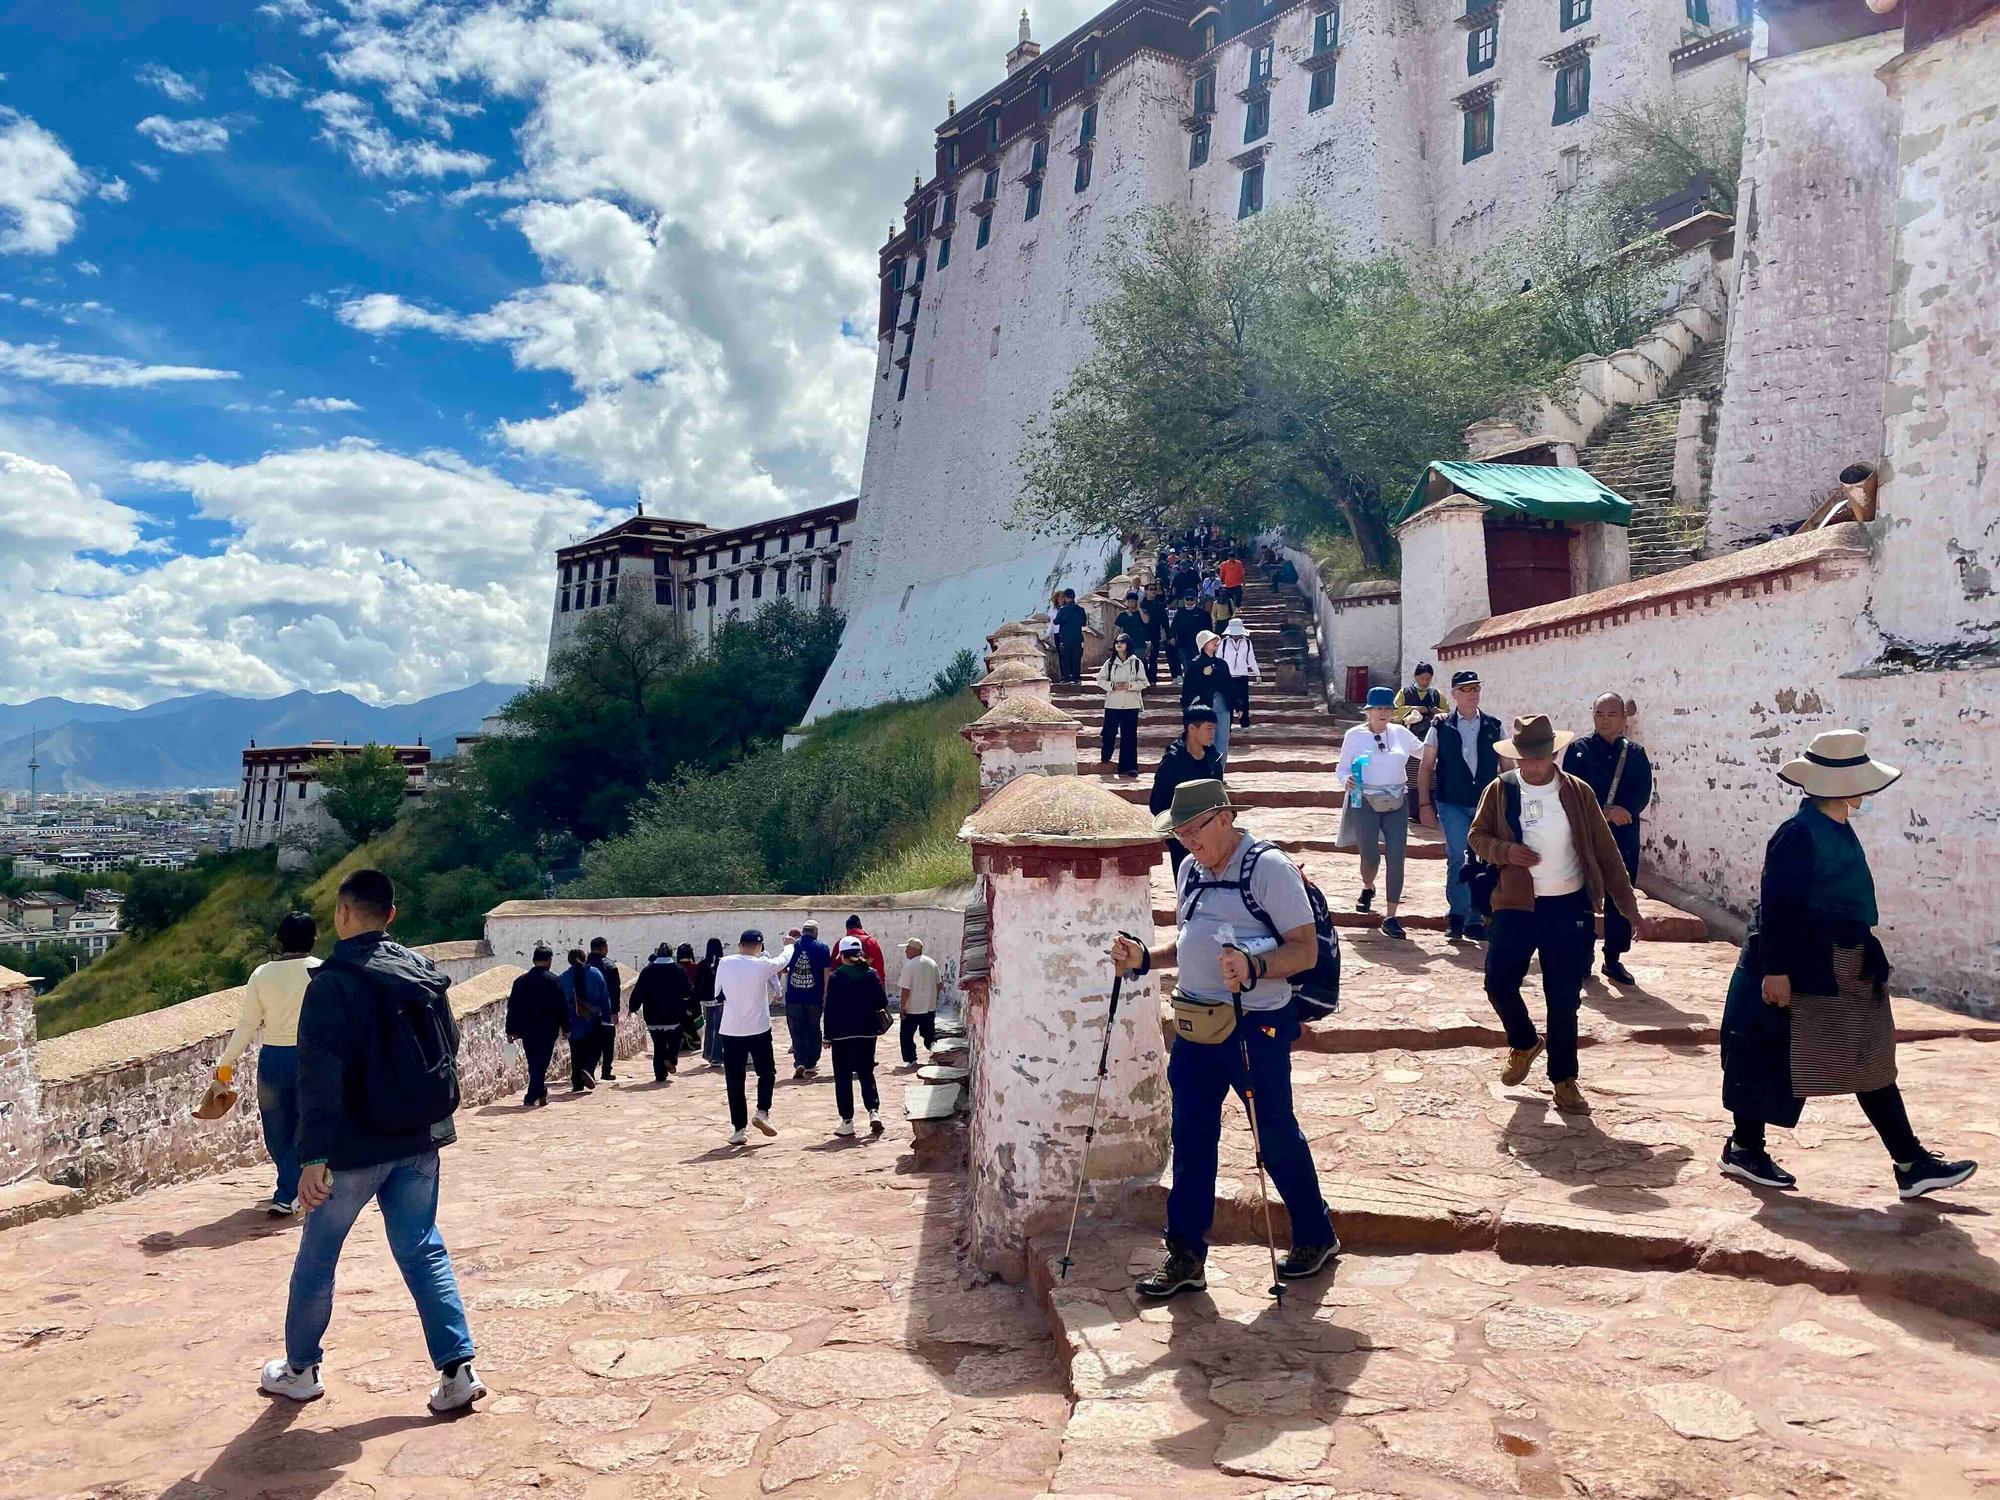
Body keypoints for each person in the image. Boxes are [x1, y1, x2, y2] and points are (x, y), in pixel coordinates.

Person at [260, 869, 483, 1414]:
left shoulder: (331, 985)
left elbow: (319, 1077)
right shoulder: (422, 974)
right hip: (418, 1138)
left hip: (353, 1150)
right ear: (392, 915)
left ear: (341, 914)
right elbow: (448, 1046)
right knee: (422, 1249)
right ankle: (458, 1370)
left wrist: (311, 1157)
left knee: (318, 1258)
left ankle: (301, 1369)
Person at [1718, 730, 1977, 1199]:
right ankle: (1745, 1148)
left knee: (1868, 1056)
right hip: (1810, 962)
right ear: (1843, 785)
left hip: (1845, 960)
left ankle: (1909, 1160)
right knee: (1769, 1051)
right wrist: (1776, 970)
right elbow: (1777, 905)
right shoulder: (1798, 835)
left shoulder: (1833, 825)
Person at [1110, 781, 1339, 1298]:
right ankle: (1185, 1256)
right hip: (1197, 1027)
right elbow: (1191, 941)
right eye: (1181, 833)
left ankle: (1315, 1234)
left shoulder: (1269, 869)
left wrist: (1255, 966)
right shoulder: (1191, 870)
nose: (1188, 841)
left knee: (1275, 1135)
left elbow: (1304, 952)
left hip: (1256, 1025)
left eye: (1195, 830)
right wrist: (1145, 958)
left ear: (1225, 817)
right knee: (1190, 1139)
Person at [1467, 715, 1640, 1116]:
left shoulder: (1578, 793)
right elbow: (1477, 836)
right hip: (1515, 904)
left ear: (1553, 754)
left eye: (1537, 757)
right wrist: (1506, 853)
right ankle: (1525, 1041)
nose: (1529, 765)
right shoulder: (1501, 790)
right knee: (1498, 982)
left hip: (1568, 906)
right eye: (1523, 757)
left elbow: (1604, 850)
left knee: (1563, 999)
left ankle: (1564, 1080)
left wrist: (1627, 907)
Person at [216, 911, 320, 1214]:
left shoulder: (261, 974)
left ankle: (288, 1191)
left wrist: (225, 1066)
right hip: (311, 1058)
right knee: (304, 1125)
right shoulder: (323, 971)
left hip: (272, 1058)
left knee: (276, 1128)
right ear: (314, 939)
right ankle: (294, 1187)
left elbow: (247, 1024)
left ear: (279, 940)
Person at [1562, 693, 1653, 986]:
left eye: (1612, 714)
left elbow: (1642, 791)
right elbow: (1571, 790)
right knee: (1584, 892)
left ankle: (1614, 958)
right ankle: (1582, 955)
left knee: (1620, 892)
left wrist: (1625, 810)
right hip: (1588, 832)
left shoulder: (1636, 754)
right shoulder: (1578, 750)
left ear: (1623, 719)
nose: (1605, 720)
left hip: (1623, 834)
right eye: (1600, 714)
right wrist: (1604, 811)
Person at [1419, 670, 1506, 943]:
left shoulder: (1494, 725)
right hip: (1452, 803)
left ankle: (1475, 917)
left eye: (1475, 689)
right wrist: (1423, 803)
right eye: (1466, 690)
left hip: (1485, 804)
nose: (1472, 695)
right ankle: (1457, 915)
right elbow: (1426, 765)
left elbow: (1507, 767)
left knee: (1482, 858)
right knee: (1458, 855)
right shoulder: (1441, 726)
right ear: (1454, 694)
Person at [1335, 690, 1425, 940]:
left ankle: (1391, 915)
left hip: (1397, 801)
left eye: (1387, 709)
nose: (1383, 713)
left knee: (1397, 856)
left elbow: (1427, 753)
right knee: (1370, 856)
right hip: (1364, 800)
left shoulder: (1402, 734)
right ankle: (1368, 886)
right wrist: (1347, 780)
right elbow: (1341, 769)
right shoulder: (1354, 736)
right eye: (1378, 709)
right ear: (1368, 711)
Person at [715, 928, 797, 1144]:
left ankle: (739, 1129)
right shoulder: (763, 965)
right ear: (760, 948)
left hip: (731, 1030)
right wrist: (790, 943)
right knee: (766, 1073)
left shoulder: (725, 962)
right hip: (759, 1029)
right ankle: (762, 1111)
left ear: (740, 946)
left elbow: (718, 994)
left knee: (734, 1080)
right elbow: (784, 958)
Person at [823, 936, 889, 1138]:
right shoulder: (871, 974)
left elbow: (830, 1008)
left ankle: (847, 1121)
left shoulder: (836, 977)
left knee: (843, 1078)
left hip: (842, 1035)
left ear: (842, 955)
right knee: (866, 1073)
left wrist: (827, 1036)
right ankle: (873, 1111)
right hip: (867, 1033)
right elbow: (882, 1001)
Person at [1150, 706, 1224, 878]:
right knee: (1187, 882)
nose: (1212, 734)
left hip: (1210, 832)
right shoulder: (1173, 761)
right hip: (1182, 835)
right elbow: (1157, 802)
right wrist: (1180, 829)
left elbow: (1219, 795)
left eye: (1214, 729)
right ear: (1191, 728)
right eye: (1208, 729)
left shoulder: (1213, 759)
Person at [504, 945, 566, 1108]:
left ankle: (537, 1093)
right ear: (549, 961)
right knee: (542, 1062)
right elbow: (561, 1006)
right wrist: (566, 1027)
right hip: (548, 1029)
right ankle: (534, 1094)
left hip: (528, 1030)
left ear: (533, 960)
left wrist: (510, 1030)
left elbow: (513, 1007)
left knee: (534, 1062)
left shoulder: (520, 981)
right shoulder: (554, 980)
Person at [631, 942, 697, 1083]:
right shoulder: (679, 970)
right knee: (674, 1042)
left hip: (653, 1016)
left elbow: (638, 992)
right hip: (674, 1016)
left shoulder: (647, 971)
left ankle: (660, 1075)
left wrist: (633, 1007)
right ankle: (670, 1059)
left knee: (658, 1045)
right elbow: (687, 992)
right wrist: (689, 1006)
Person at [782, 919, 832, 1079]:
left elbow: (783, 967)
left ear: (803, 932)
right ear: (816, 932)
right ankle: (811, 1062)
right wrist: (826, 992)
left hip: (794, 996)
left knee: (797, 1030)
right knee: (813, 1028)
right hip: (814, 996)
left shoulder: (793, 946)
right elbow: (826, 972)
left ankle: (800, 1061)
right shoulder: (822, 947)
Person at [1181, 631, 1236, 769]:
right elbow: (1189, 688)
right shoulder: (1195, 664)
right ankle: (1205, 772)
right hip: (1205, 708)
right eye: (1212, 640)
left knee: (1222, 741)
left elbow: (1229, 686)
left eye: (1216, 640)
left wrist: (1237, 705)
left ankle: (1219, 773)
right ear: (1203, 644)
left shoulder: (1222, 664)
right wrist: (1204, 675)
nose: (1215, 643)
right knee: (1205, 741)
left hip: (1223, 707)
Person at [1095, 632, 1147, 778]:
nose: (1119, 644)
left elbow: (1144, 682)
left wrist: (1129, 685)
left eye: (1122, 642)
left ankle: (1129, 767)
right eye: (1117, 642)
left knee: (1129, 735)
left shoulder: (1136, 663)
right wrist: (1112, 685)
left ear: (1128, 644)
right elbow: (1100, 680)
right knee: (1109, 732)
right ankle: (1106, 757)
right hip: (1113, 704)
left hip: (1131, 704)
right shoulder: (1110, 663)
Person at [559, 949, 610, 1092]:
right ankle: (587, 1069)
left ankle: (577, 1082)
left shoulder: (563, 978)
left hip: (573, 1019)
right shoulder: (595, 974)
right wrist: (607, 1017)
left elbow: (560, 1002)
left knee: (576, 1051)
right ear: (585, 958)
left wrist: (562, 1023)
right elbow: (604, 997)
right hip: (593, 1019)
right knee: (595, 1047)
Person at [896, 937, 942, 1067]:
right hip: (929, 1007)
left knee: (906, 1035)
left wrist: (902, 1007)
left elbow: (905, 989)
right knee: (929, 1034)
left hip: (912, 1008)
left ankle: (911, 1059)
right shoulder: (932, 963)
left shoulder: (909, 966)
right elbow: (939, 984)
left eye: (907, 948)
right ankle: (936, 1052)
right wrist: (934, 999)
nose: (905, 951)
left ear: (913, 949)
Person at [583, 937, 622, 1080]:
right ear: (603, 948)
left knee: (589, 1041)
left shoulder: (583, 965)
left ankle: (589, 1071)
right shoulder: (610, 966)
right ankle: (606, 1071)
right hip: (605, 1010)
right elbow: (615, 990)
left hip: (585, 1011)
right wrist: (615, 1011)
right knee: (607, 1042)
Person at [1218, 617, 1260, 731]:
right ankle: (1228, 724)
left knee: (1244, 700)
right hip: (1227, 677)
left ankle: (1245, 723)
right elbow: (1218, 659)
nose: (1236, 636)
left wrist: (1257, 673)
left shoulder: (1247, 642)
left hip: (1242, 675)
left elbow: (1251, 659)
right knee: (1228, 701)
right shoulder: (1224, 643)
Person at [696, 937, 725, 1067]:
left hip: (706, 1000)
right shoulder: (723, 963)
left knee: (709, 1026)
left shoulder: (702, 964)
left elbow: (697, 983)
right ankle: (716, 1056)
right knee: (719, 1028)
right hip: (719, 1000)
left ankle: (707, 1053)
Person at [1053, 588, 1090, 684]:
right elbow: (1083, 623)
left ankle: (1067, 679)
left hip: (1065, 638)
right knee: (1076, 659)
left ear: (1065, 598)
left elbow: (1056, 621)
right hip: (1077, 638)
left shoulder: (1063, 610)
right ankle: (1077, 678)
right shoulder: (1080, 610)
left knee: (1066, 659)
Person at [1140, 580, 1171, 684]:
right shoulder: (1141, 605)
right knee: (1143, 657)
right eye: (1151, 589)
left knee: (1154, 657)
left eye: (1155, 589)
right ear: (1146, 591)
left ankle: (1153, 678)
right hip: (1143, 634)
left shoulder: (1159, 605)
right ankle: (1145, 677)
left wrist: (1168, 635)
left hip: (1155, 633)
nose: (1153, 591)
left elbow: (1165, 621)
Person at [844, 914, 887, 984]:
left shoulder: (841, 944)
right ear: (861, 927)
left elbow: (834, 967)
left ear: (847, 928)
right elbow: (879, 967)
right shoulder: (872, 943)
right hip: (869, 986)